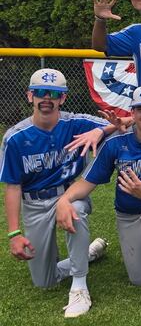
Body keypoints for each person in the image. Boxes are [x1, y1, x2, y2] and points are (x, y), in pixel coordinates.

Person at [55, 86, 141, 311]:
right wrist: (63, 200)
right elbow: (87, 182)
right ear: (132, 112)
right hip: (130, 215)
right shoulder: (116, 141)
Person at [1, 69, 111, 318]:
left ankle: (80, 286)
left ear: (63, 98)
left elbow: (124, 122)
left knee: (77, 210)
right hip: (35, 203)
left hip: (70, 194)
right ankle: (87, 254)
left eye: (54, 93)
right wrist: (14, 233)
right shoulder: (15, 137)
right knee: (45, 281)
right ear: (30, 96)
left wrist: (100, 131)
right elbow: (13, 186)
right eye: (40, 92)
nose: (46, 98)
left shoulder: (76, 123)